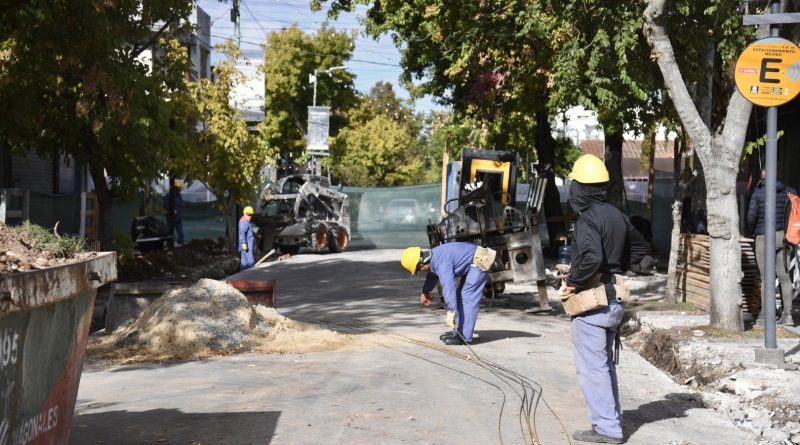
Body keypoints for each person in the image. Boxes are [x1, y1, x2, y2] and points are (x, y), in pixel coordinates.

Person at [561, 154, 648, 444]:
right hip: (613, 302)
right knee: (604, 365)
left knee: (592, 368)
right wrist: (616, 267)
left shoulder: (587, 219)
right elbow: (640, 249)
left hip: (593, 302)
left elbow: (591, 258)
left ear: (580, 188)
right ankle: (612, 421)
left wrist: (572, 281)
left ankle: (608, 429)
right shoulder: (616, 214)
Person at [400, 242, 495, 345]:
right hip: (473, 261)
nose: (421, 272)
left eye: (418, 271)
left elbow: (448, 287)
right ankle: (459, 332)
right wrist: (425, 291)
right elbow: (432, 274)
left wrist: (451, 310)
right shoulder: (434, 257)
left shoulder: (441, 264)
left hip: (480, 260)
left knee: (467, 297)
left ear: (421, 265)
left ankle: (464, 337)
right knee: (460, 295)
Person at [747, 169, 794, 326]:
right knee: (785, 277)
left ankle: (767, 314)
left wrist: (751, 231)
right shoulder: (787, 191)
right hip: (784, 237)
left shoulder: (758, 192)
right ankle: (788, 315)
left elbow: (751, 217)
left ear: (763, 175)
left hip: (764, 237)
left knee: (766, 277)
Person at [163, 179, 185, 246]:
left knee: (180, 232)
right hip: (170, 217)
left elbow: (181, 203)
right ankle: (170, 244)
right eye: (179, 189)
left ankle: (181, 243)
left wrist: (182, 205)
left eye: (180, 189)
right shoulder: (168, 196)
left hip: (178, 217)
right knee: (170, 232)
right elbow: (165, 205)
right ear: (175, 188)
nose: (180, 190)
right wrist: (171, 210)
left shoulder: (179, 195)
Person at [239, 206, 256, 271]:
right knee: (250, 262)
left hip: (248, 245)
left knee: (244, 261)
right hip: (247, 245)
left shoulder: (247, 222)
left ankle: (243, 274)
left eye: (251, 215)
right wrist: (243, 243)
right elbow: (242, 233)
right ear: (244, 214)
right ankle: (250, 274)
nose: (250, 217)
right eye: (248, 215)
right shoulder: (244, 222)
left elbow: (248, 233)